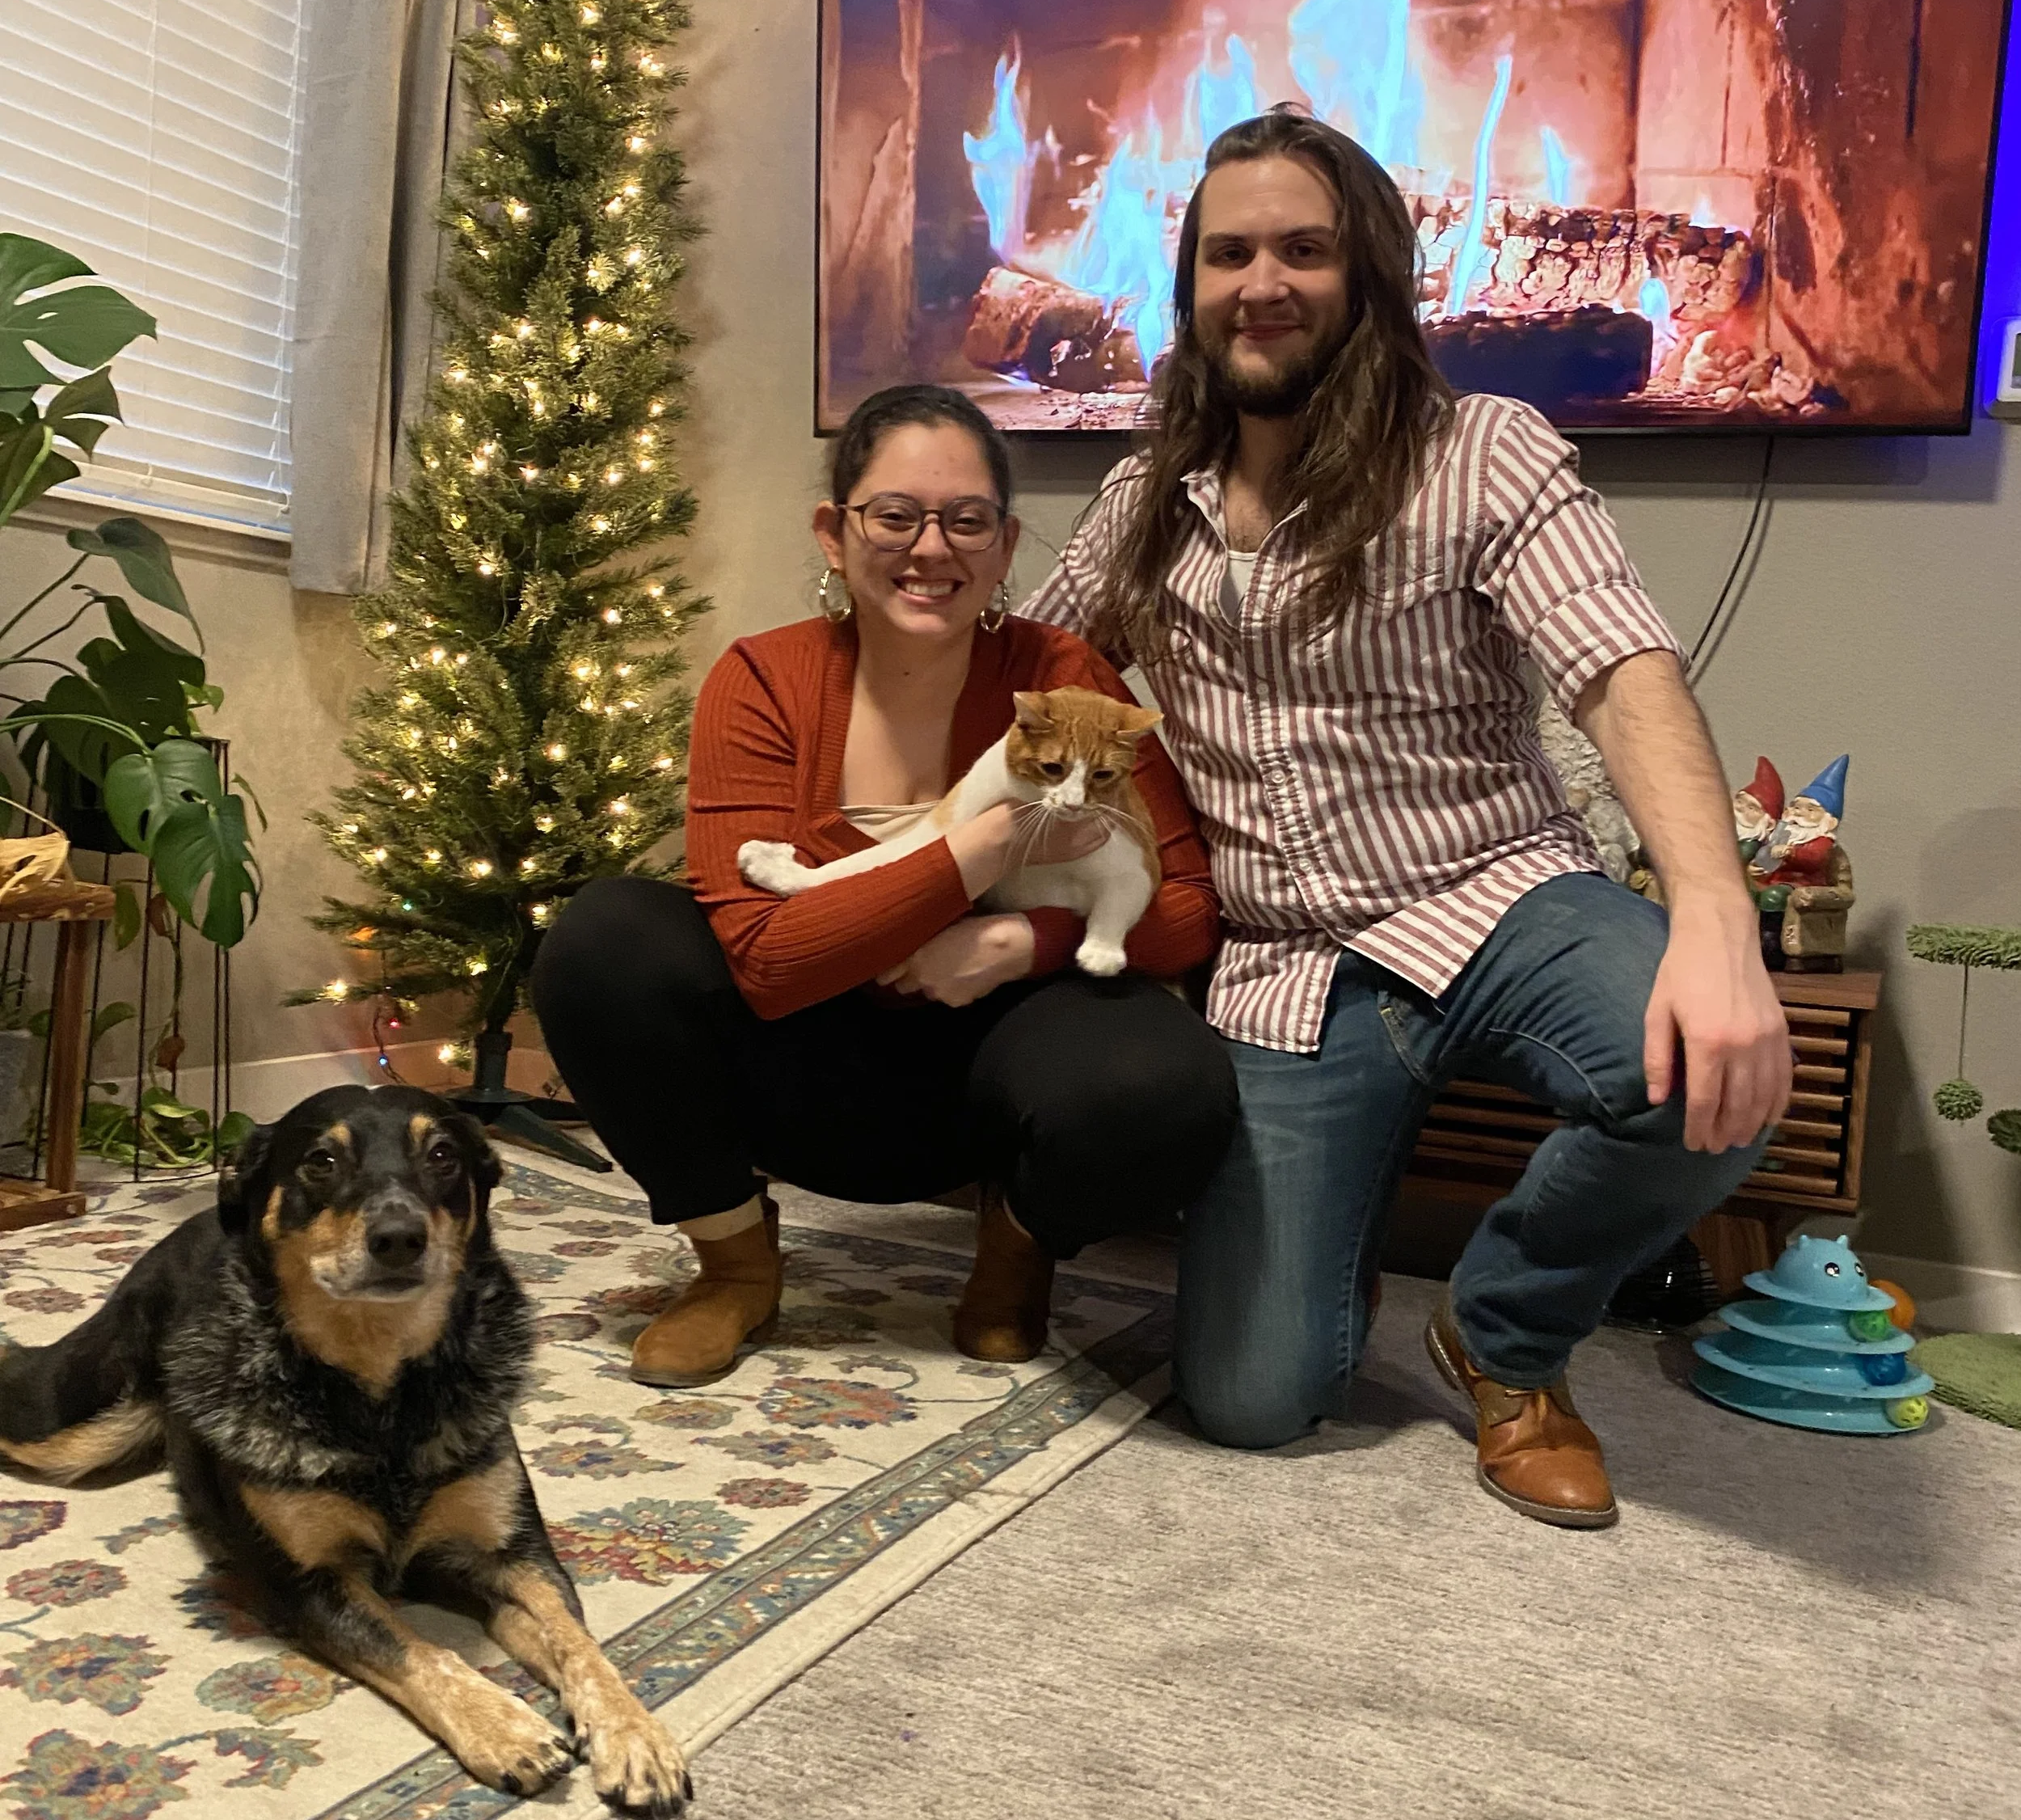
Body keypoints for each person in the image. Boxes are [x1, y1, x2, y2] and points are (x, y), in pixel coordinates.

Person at [1025, 107, 1792, 1528]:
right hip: (1285, 965)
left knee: (1705, 1062)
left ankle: (1504, 1332)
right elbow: (1028, 677)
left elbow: (1621, 670)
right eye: (1230, 254)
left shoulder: (1484, 452)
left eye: (1303, 250)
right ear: (1190, 287)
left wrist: (1713, 915)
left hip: (1497, 896)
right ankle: (1324, 1259)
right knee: (1250, 1400)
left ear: (1371, 271)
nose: (1263, 283)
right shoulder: (1142, 501)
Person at [531, 384, 1237, 1388]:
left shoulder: (1063, 678)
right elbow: (768, 964)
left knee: (1167, 1080)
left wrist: (1022, 944)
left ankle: (1016, 1255)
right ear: (835, 533)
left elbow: (1184, 914)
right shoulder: (764, 677)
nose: (931, 548)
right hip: (802, 1056)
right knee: (605, 940)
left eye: (967, 521)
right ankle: (734, 1268)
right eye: (895, 516)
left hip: (995, 1060)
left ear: (1004, 544)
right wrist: (982, 853)